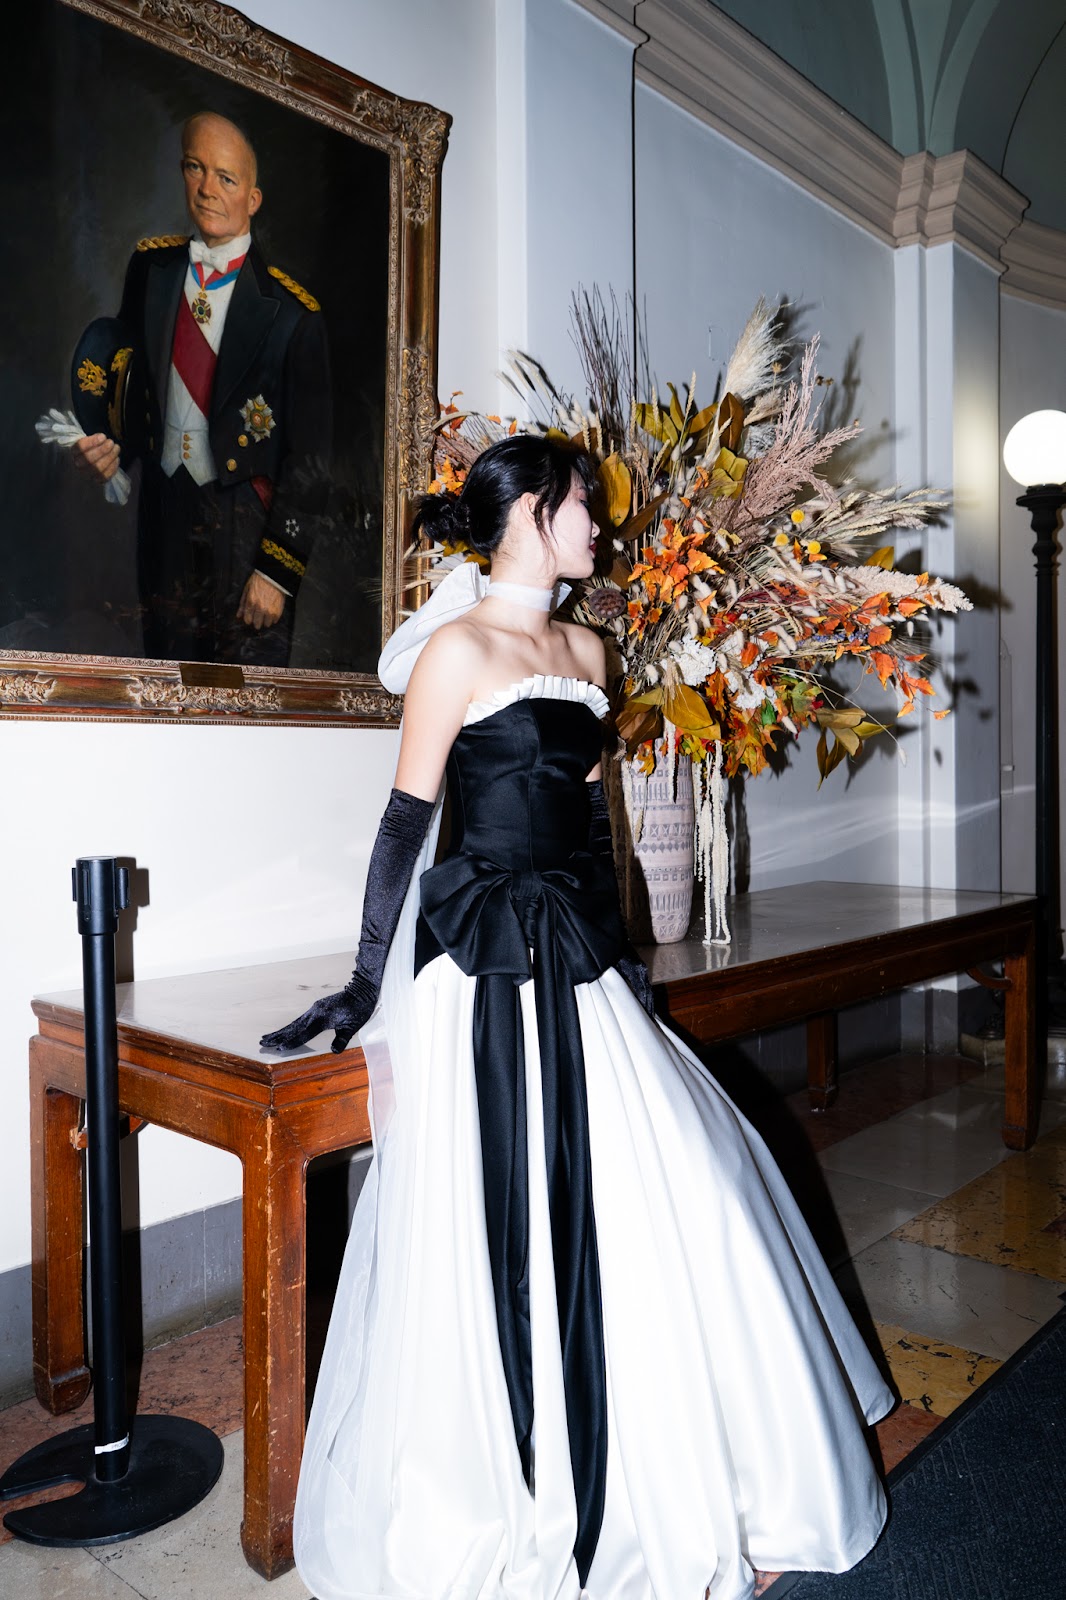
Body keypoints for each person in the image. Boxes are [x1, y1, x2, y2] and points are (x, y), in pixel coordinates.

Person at [261, 435, 893, 1600]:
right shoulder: (453, 651)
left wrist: (630, 967)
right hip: (482, 966)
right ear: (526, 517)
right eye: (580, 513)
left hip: (580, 956)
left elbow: (595, 827)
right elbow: (405, 827)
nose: (599, 530)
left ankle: (702, 1477)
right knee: (501, 1218)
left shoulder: (591, 645)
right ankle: (521, 1489)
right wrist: (362, 981)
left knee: (680, 1188)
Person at [72, 112, 331, 665]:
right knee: (166, 679)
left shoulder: (292, 315)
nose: (207, 188)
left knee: (243, 698)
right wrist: (108, 452)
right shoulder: (151, 269)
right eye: (195, 168)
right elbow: (126, 387)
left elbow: (312, 462)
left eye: (226, 177)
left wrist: (276, 569)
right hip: (163, 509)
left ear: (254, 199)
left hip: (244, 527)